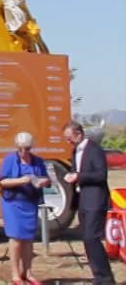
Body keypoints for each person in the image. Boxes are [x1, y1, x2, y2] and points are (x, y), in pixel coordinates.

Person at [63, 121, 114, 284]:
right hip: (83, 199)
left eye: (69, 138)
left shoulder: (94, 150)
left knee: (92, 238)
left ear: (78, 134)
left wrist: (79, 176)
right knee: (87, 239)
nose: (68, 142)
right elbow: (77, 170)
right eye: (66, 139)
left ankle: (105, 278)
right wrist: (71, 175)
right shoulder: (75, 151)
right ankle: (98, 276)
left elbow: (101, 175)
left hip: (95, 199)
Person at [0, 131, 50, 285]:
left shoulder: (38, 161)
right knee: (16, 237)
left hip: (30, 202)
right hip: (12, 203)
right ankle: (15, 275)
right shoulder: (9, 160)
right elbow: (2, 181)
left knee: (28, 238)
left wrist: (44, 182)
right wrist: (22, 180)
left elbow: (48, 179)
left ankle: (27, 272)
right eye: (20, 148)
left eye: (27, 148)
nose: (23, 152)